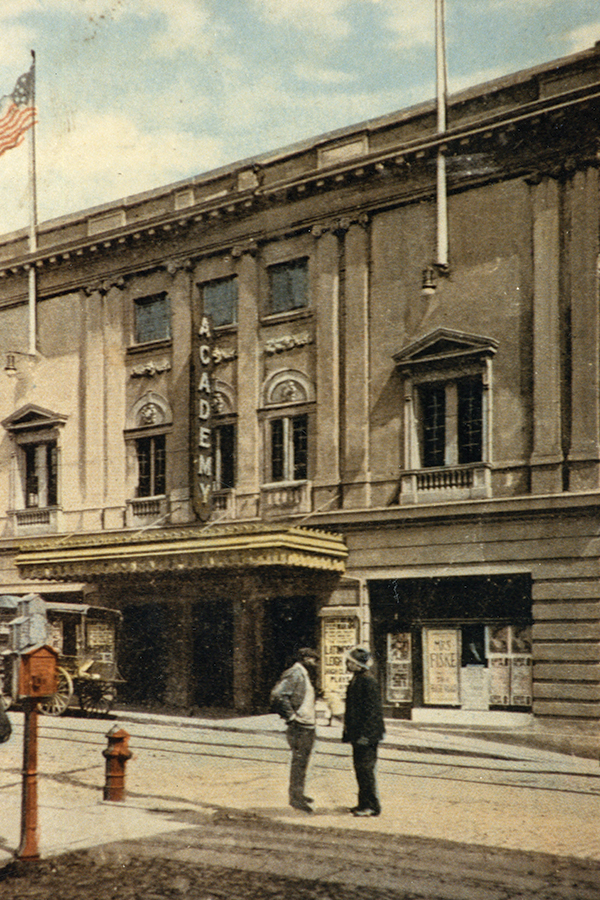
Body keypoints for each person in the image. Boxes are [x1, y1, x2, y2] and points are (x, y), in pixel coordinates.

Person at [270, 647, 319, 813]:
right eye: (313, 659)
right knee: (299, 763)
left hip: (307, 725)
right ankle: (296, 798)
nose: (315, 663)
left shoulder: (304, 674)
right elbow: (278, 695)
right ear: (304, 658)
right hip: (300, 727)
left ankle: (299, 793)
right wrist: (291, 717)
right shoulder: (295, 673)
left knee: (303, 762)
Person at [342, 646, 385, 817]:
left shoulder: (368, 680)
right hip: (358, 734)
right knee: (360, 769)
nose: (346, 664)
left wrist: (366, 736)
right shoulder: (358, 678)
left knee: (366, 770)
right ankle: (363, 803)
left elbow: (373, 713)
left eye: (349, 662)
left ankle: (372, 806)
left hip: (366, 736)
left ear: (358, 665)